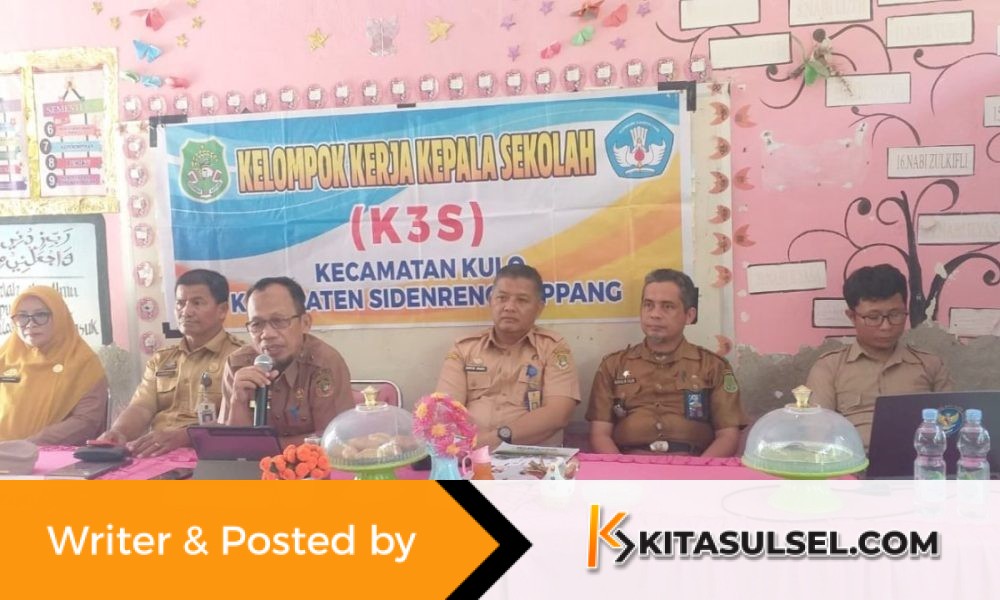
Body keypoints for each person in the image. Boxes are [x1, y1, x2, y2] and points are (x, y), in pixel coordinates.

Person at [587, 269, 745, 457]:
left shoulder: (713, 366)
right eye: (648, 305)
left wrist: (699, 472)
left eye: (667, 307)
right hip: (629, 465)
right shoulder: (613, 366)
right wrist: (623, 470)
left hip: (693, 465)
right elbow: (600, 435)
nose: (655, 314)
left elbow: (728, 436)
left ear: (689, 315)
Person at [806, 263, 952, 448]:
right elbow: (817, 436)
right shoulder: (829, 368)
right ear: (852, 316)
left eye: (895, 314)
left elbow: (952, 427)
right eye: (873, 317)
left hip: (918, 460)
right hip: (854, 462)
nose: (886, 326)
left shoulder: (930, 365)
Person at [100, 269, 243, 457]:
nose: (186, 312)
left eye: (197, 303)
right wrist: (119, 432)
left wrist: (185, 436)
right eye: (180, 303)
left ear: (222, 310)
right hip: (155, 453)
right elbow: (141, 407)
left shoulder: (240, 358)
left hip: (209, 456)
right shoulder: (162, 359)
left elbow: (238, 424)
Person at [436, 264, 580, 449]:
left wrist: (496, 439)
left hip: (533, 455)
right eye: (502, 298)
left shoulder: (553, 348)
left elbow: (558, 413)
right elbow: (445, 410)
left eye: (522, 300)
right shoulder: (464, 349)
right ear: (491, 301)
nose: (509, 307)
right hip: (469, 455)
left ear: (539, 308)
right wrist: (467, 447)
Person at [220, 277, 353, 446]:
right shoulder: (237, 365)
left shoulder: (324, 363)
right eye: (257, 324)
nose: (267, 334)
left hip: (309, 462)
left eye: (279, 321)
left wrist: (267, 446)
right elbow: (232, 446)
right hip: (253, 463)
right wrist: (238, 400)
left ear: (305, 323)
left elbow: (333, 439)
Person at [0, 285, 107, 444]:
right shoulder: (5, 357)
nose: (30, 324)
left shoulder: (83, 362)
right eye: (22, 316)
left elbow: (86, 422)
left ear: (60, 317)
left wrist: (28, 445)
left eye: (40, 315)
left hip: (50, 454)